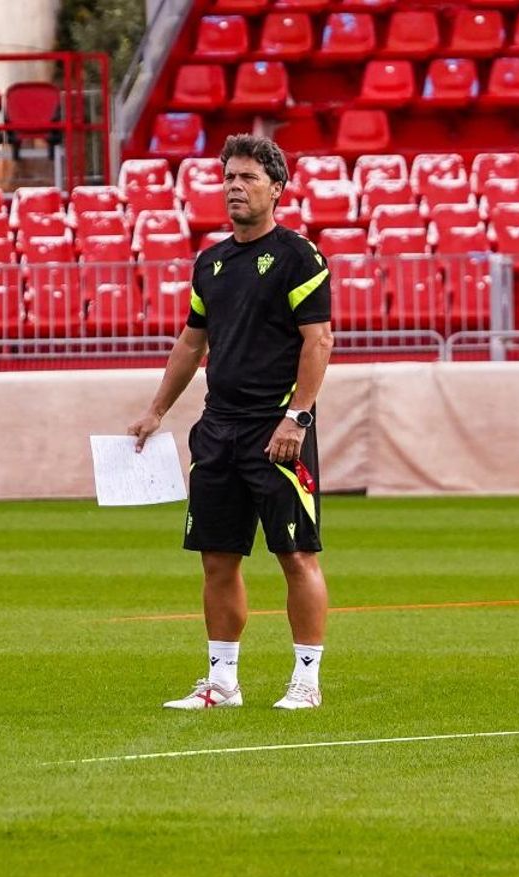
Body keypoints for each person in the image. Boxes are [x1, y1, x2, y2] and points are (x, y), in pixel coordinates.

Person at [128, 134, 334, 711]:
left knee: (296, 555)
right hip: (218, 429)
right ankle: (222, 682)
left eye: (247, 178)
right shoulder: (210, 263)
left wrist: (297, 418)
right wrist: (156, 410)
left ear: (276, 187)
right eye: (229, 178)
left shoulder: (300, 257)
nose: (235, 188)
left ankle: (306, 681)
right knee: (217, 557)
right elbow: (192, 343)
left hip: (277, 430)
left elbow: (318, 341)